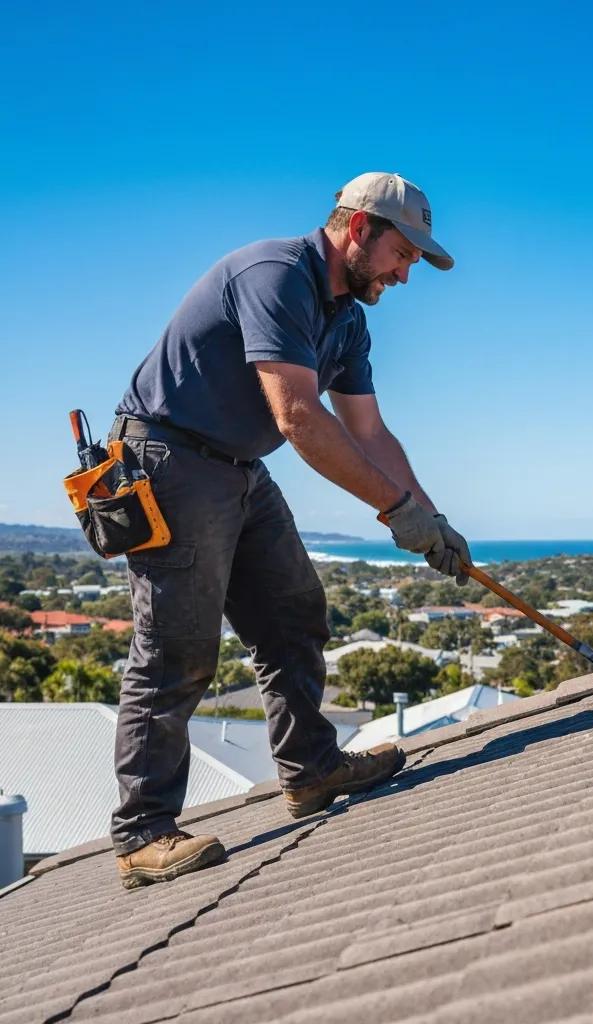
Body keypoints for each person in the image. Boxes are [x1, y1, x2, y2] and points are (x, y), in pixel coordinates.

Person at [109, 173, 471, 890]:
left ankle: (311, 770)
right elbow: (300, 419)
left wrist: (431, 516)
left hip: (237, 466)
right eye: (403, 254)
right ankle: (143, 832)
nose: (405, 275)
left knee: (293, 611)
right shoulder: (274, 275)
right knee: (177, 646)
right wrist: (398, 512)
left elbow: (369, 431)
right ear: (360, 228)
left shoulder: (349, 320)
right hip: (168, 461)